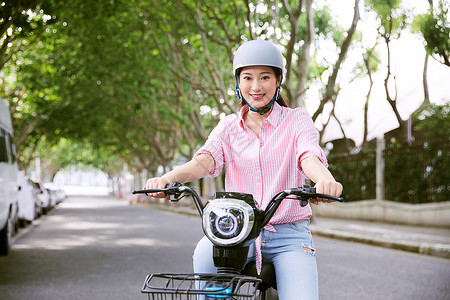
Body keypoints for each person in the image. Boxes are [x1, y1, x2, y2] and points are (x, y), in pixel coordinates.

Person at [145, 39, 343, 300]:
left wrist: (324, 180)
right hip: (235, 232)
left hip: (289, 234)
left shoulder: (297, 120)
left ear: (278, 81)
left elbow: (308, 156)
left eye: (265, 77)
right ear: (238, 83)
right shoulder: (228, 126)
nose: (256, 86)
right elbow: (203, 161)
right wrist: (166, 179)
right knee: (205, 254)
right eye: (248, 77)